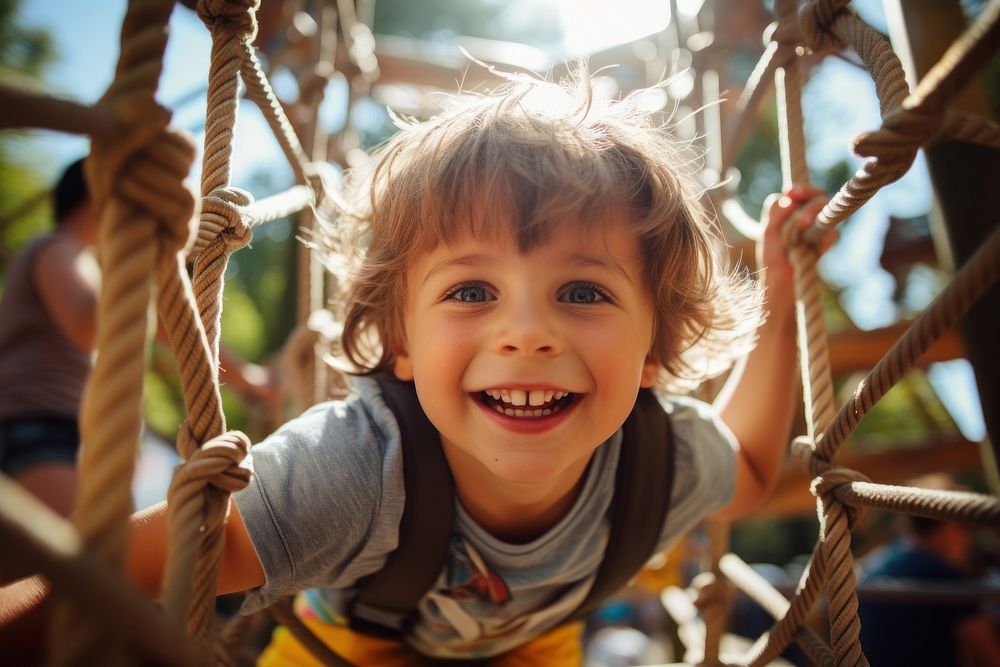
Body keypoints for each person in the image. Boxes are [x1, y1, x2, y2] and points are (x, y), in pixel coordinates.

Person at [8, 70, 833, 664]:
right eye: (472, 289)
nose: (527, 332)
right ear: (400, 343)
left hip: (537, 646)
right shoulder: (354, 470)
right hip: (350, 646)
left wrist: (787, 288)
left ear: (654, 348)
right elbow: (97, 587)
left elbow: (757, 465)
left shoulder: (658, 462)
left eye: (583, 289)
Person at [0, 158, 97, 517]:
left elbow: (166, 327)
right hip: (34, 425)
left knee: (26, 575)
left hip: (48, 428)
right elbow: (89, 327)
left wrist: (250, 380)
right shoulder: (56, 249)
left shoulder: (85, 264)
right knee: (85, 567)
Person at [858, 474, 1000, 666]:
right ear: (951, 526)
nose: (969, 538)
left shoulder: (880, 561)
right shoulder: (945, 577)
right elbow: (988, 657)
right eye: (967, 527)